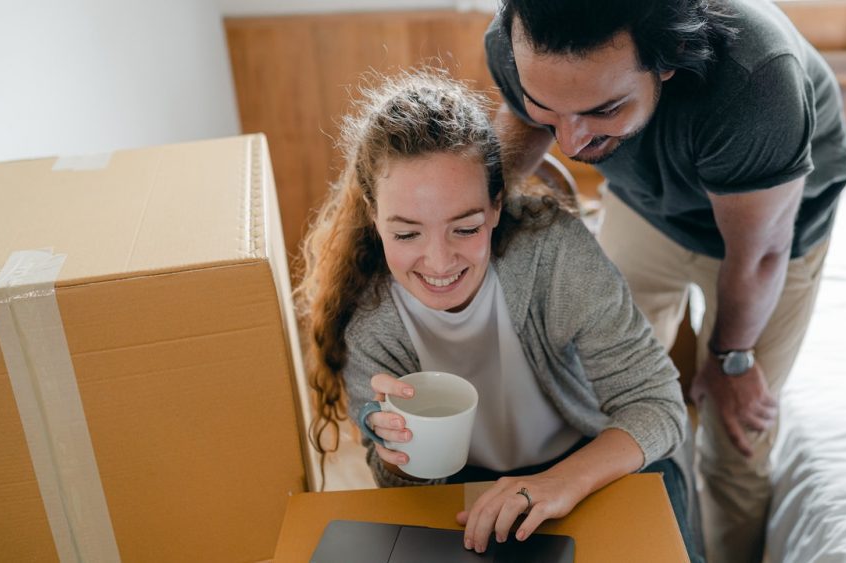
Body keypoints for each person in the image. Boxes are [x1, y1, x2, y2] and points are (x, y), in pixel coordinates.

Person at [483, 1, 846, 561]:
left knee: (736, 442)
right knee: (602, 404)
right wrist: (473, 214)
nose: (572, 144)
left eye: (602, 110)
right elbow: (522, 131)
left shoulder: (756, 78)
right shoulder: (519, 35)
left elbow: (759, 254)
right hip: (645, 207)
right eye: (548, 109)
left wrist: (732, 358)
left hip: (770, 236)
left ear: (669, 61)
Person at [294, 70, 702, 558]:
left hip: (592, 464)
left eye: (464, 228)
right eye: (406, 235)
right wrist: (398, 453)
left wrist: (557, 484)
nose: (440, 263)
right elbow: (404, 489)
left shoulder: (554, 255)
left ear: (495, 206)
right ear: (373, 214)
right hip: (467, 492)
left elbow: (658, 406)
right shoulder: (369, 318)